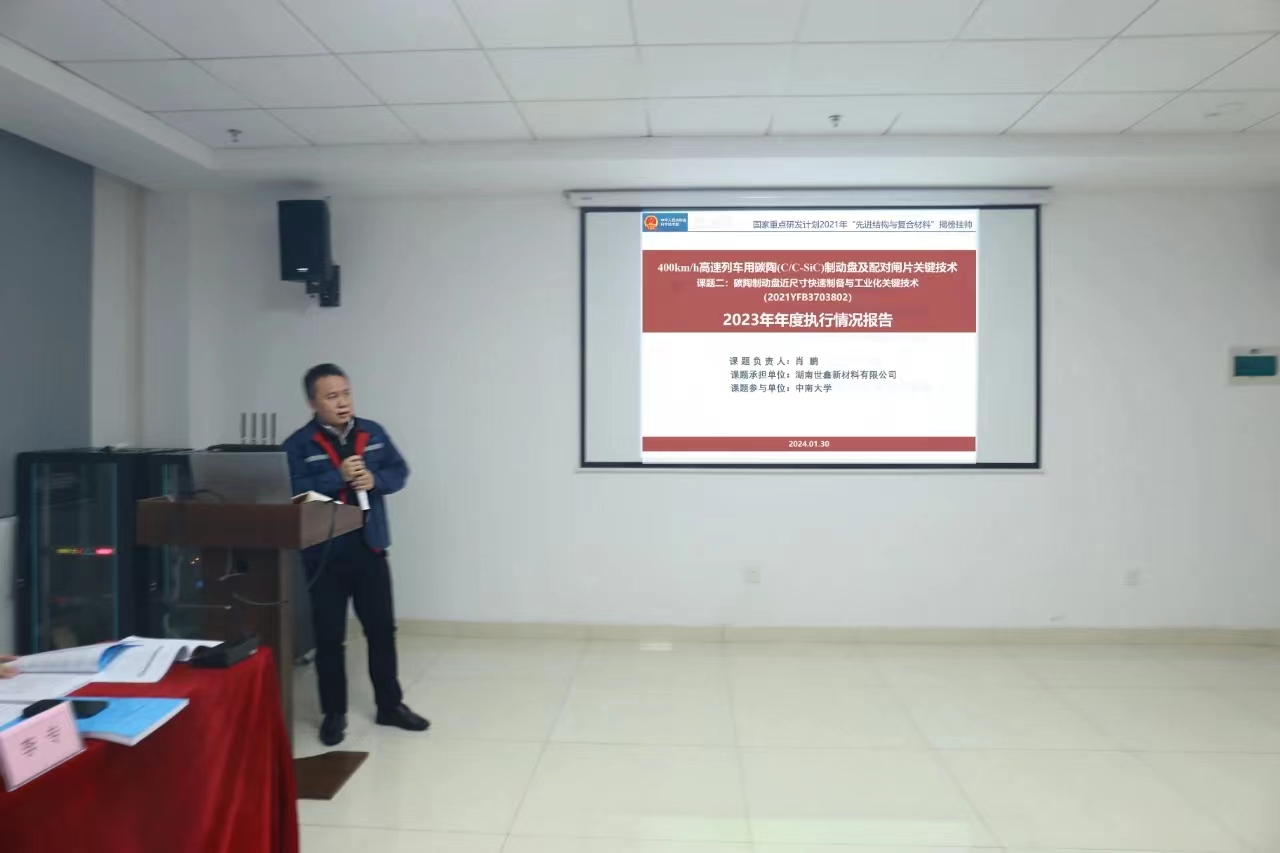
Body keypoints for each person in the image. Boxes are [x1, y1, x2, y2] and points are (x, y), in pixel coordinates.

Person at [283, 364, 429, 746]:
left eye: (346, 393)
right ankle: (334, 714)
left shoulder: (372, 433)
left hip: (370, 548)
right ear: (312, 402)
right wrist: (338, 477)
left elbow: (399, 471)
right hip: (324, 554)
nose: (342, 402)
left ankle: (389, 706)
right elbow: (293, 493)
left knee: (381, 631)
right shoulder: (298, 445)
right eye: (332, 396)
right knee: (329, 638)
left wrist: (375, 480)